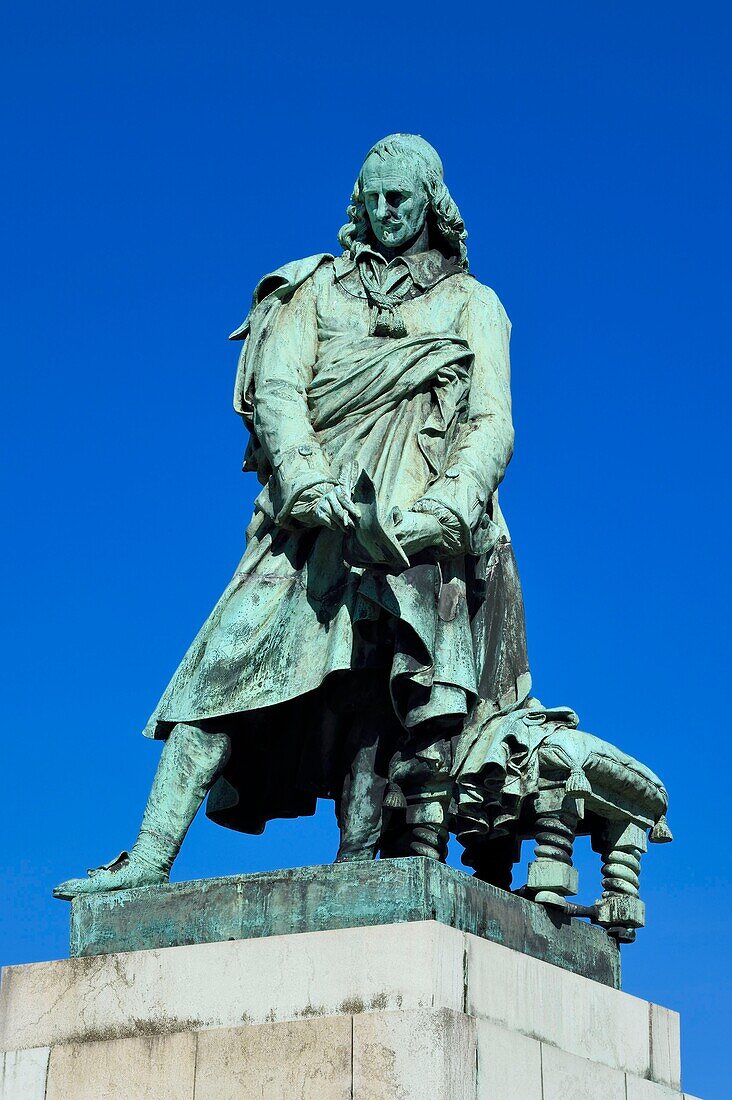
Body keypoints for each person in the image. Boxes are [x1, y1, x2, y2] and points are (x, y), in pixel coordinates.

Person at [54, 133, 529, 900]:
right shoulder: (314, 291)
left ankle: (358, 866)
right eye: (371, 197)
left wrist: (443, 509)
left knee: (373, 689)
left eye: (400, 198)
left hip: (413, 529)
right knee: (217, 670)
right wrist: (308, 486)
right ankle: (148, 855)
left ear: (432, 204)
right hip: (306, 522)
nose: (384, 211)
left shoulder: (474, 305)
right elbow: (278, 396)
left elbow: (491, 423)